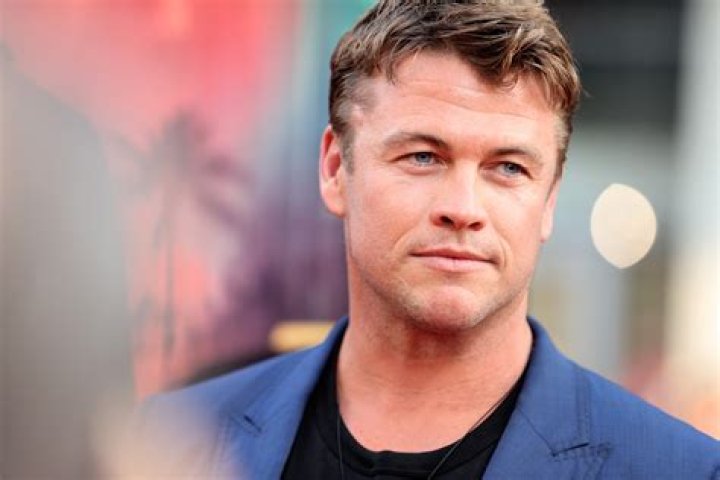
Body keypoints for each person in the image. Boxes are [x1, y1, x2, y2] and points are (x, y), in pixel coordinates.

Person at [130, 1, 720, 478]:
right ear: (335, 169)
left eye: (508, 168)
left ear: (549, 201)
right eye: (423, 157)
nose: (462, 209)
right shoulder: (170, 441)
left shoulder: (682, 470)